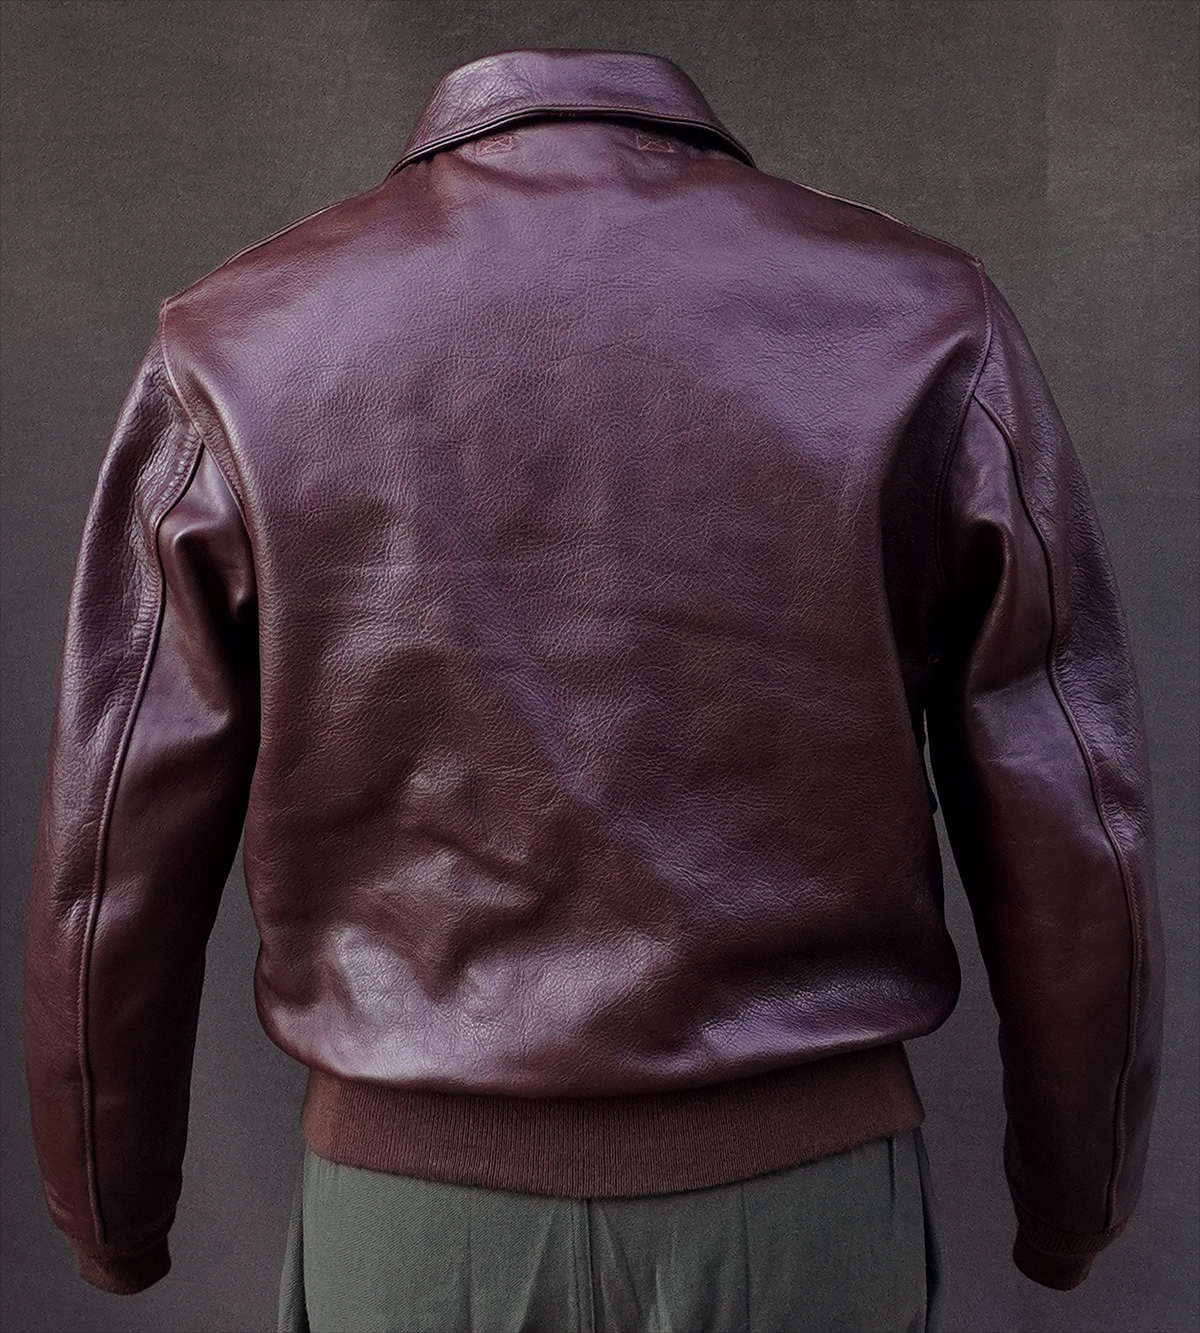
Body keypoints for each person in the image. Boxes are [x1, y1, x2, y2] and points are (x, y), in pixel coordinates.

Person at [22, 45, 1164, 1333]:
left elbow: (111, 849)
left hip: (413, 1231)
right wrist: (1075, 1195)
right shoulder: (923, 318)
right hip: (806, 1220)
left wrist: (109, 1208)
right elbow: (1075, 808)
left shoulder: (238, 342)